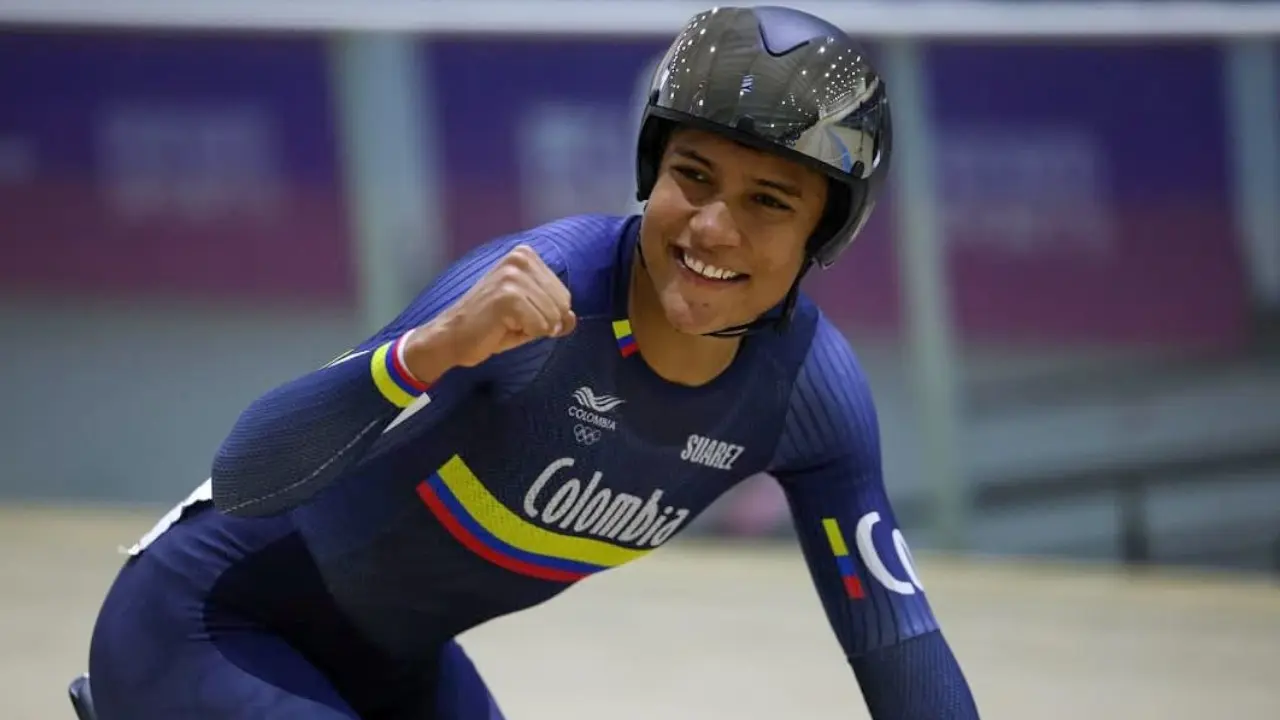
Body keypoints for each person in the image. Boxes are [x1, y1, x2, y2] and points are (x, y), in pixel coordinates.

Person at [86, 6, 980, 719]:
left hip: (393, 670)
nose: (713, 227)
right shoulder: (539, 292)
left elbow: (895, 642)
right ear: (651, 170)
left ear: (826, 231)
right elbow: (245, 474)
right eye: (694, 175)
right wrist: (429, 350)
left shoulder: (811, 394)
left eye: (768, 201)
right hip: (206, 624)